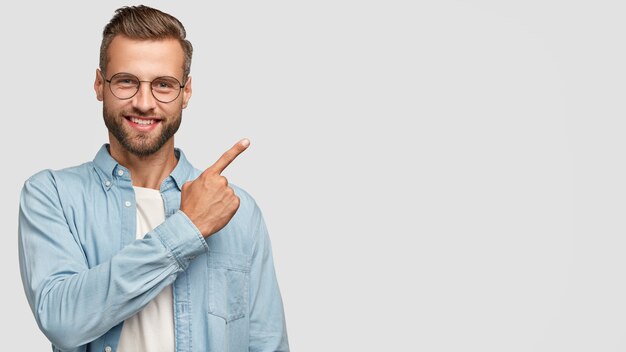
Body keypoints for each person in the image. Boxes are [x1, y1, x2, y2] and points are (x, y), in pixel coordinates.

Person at [17, 5, 289, 352]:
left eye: (163, 84)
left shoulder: (239, 210)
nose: (144, 103)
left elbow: (268, 343)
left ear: (186, 92)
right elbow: (61, 321)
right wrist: (188, 227)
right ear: (100, 84)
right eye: (127, 81)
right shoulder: (51, 194)